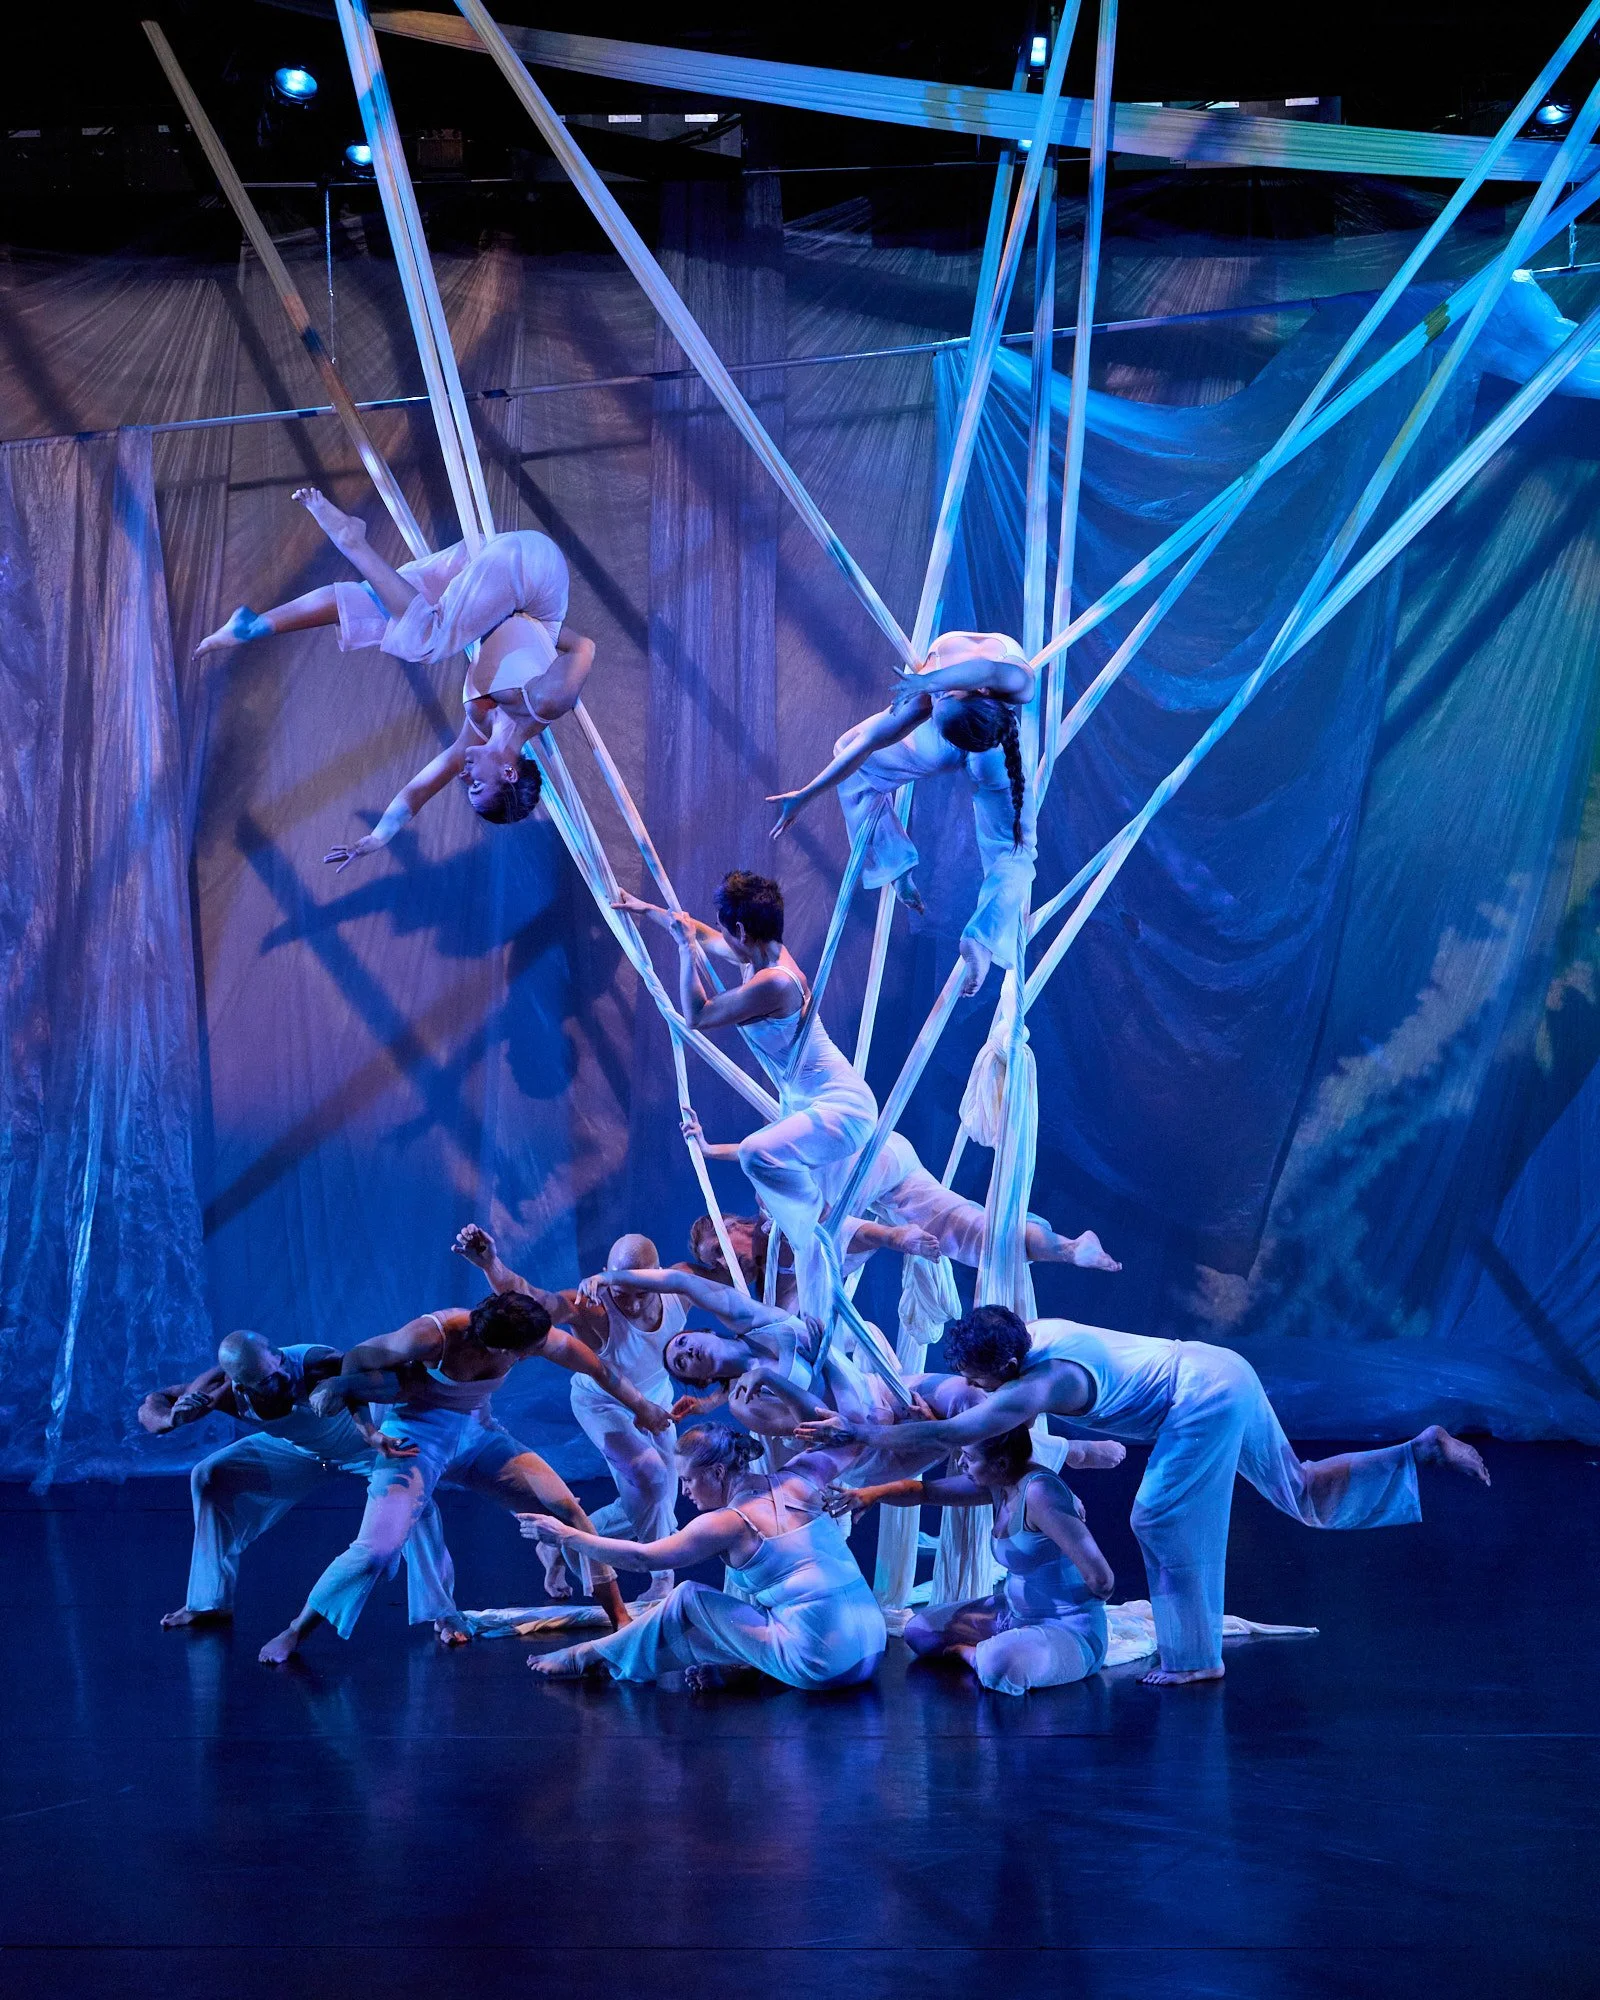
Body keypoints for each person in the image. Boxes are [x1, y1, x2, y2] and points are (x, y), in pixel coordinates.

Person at [798, 1304, 1490, 1687]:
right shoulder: (1029, 1336)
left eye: (979, 1375)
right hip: (1222, 1371)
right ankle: (1420, 1449)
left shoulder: (1043, 1384)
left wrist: (860, 1429)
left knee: (1158, 1515)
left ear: (1006, 1365)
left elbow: (959, 1427)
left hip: (1203, 1394)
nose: (974, 1385)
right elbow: (951, 1413)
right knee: (1301, 1492)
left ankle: (1195, 1659)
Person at [255, 1291, 668, 1664]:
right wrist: (369, 1432)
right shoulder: (432, 1336)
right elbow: (355, 1361)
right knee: (377, 1551)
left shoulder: (528, 1331)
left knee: (567, 1510)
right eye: (527, 1351)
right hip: (415, 1439)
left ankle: (620, 1624)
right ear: (499, 1345)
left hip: (476, 1434)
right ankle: (296, 1629)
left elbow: (599, 1369)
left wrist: (642, 1407)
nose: (539, 1352)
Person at [194, 488, 593, 856]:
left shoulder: (482, 725)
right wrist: (544, 628)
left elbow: (420, 788)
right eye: (476, 785)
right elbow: (584, 646)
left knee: (381, 611)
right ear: (508, 772)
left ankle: (255, 624)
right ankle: (352, 540)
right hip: (533, 573)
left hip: (487, 575)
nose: (463, 778)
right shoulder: (545, 703)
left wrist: (378, 837)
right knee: (427, 642)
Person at [617, 871, 875, 1321]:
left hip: (842, 1109)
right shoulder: (763, 955)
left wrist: (683, 950)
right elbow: (698, 930)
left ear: (742, 930)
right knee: (764, 1152)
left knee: (759, 1153)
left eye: (727, 927)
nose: (722, 937)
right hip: (816, 1107)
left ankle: (814, 1229)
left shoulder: (775, 983)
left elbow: (697, 1015)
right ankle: (812, 1230)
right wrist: (645, 909)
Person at [139, 1330, 460, 1641]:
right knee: (209, 1475)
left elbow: (400, 1377)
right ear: (241, 1384)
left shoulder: (315, 1364)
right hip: (304, 1451)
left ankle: (443, 1610)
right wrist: (171, 1419)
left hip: (368, 1447)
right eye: (266, 1379)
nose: (282, 1375)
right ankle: (208, 1602)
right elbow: (154, 1402)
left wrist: (354, 1400)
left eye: (278, 1361)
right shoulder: (223, 1394)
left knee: (415, 1506)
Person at [767, 631, 1037, 996]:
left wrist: (927, 684)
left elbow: (862, 746)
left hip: (980, 742)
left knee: (855, 760)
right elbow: (984, 672)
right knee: (1014, 853)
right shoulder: (1011, 684)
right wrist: (806, 794)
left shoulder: (933, 697)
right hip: (990, 749)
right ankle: (983, 937)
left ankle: (895, 863)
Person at [525, 1425, 887, 1691]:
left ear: (717, 1472)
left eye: (688, 1480)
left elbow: (642, 1559)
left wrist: (566, 1535)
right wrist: (841, 1428)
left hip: (823, 1663)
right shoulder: (800, 1475)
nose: (684, 1492)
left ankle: (588, 1655)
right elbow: (857, 1438)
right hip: (873, 1647)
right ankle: (741, 1667)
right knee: (718, 1619)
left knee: (687, 1598)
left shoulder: (727, 1522)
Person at [454, 1222, 683, 1605]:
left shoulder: (680, 1289)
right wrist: (490, 1264)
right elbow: (533, 1301)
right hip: (603, 1403)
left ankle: (562, 1542)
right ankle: (662, 1579)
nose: (635, 1305)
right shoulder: (590, 1305)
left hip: (656, 1396)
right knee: (653, 1479)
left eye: (643, 1292)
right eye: (623, 1294)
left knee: (653, 1502)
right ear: (609, 1281)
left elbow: (727, 1282)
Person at [827, 1425, 1114, 1695]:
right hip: (1013, 1616)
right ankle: (997, 1645)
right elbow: (925, 1492)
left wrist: (1068, 1603)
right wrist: (870, 1494)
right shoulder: (1001, 1483)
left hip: (1070, 1630)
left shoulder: (1040, 1493)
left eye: (969, 1458)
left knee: (1000, 1664)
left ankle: (970, 1653)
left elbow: (1103, 1580)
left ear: (1000, 1463)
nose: (962, 1464)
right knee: (918, 1631)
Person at [832, 1130, 1121, 1278]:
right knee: (967, 1229)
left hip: (839, 1165)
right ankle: (1067, 1248)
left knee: (811, 1256)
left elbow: (820, 1231)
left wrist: (892, 1236)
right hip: (882, 1144)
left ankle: (1067, 1249)